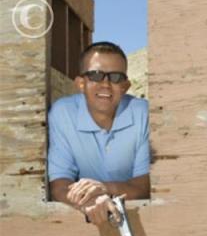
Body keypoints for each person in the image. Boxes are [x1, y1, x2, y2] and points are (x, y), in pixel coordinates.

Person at [48, 41, 150, 225]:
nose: (106, 85)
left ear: (125, 86)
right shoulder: (63, 113)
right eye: (95, 75)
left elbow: (144, 186)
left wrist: (104, 189)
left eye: (116, 77)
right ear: (80, 83)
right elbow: (58, 185)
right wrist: (89, 201)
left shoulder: (143, 113)